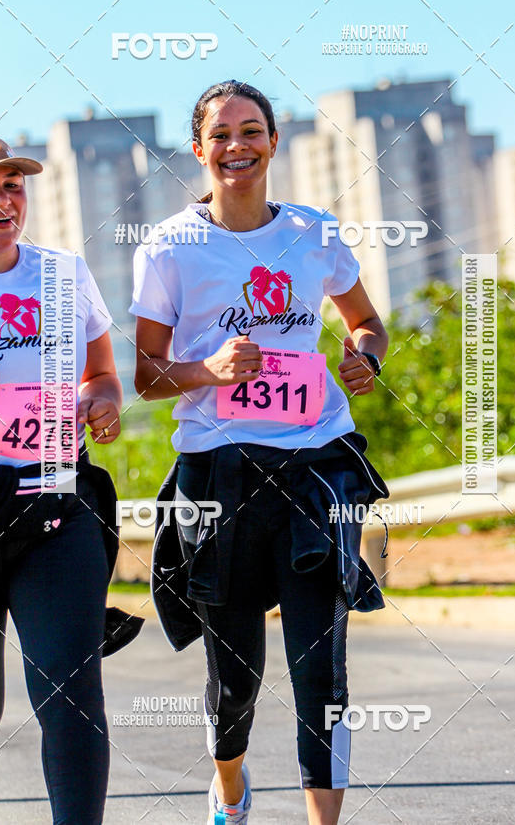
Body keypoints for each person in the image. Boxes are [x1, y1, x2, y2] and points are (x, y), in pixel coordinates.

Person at [131, 81, 389, 825]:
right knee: (235, 675)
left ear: (274, 142)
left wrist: (366, 358)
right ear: (198, 150)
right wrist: (207, 371)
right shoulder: (170, 246)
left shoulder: (313, 232)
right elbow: (145, 373)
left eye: (251, 131)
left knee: (321, 669)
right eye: (220, 134)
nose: (236, 146)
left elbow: (367, 322)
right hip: (219, 473)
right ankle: (231, 787)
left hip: (316, 465)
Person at [0, 134, 140, 825]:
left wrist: (102, 402)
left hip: (52, 506)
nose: (2, 200)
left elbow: (102, 375)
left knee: (70, 694)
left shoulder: (62, 273)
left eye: (12, 185)